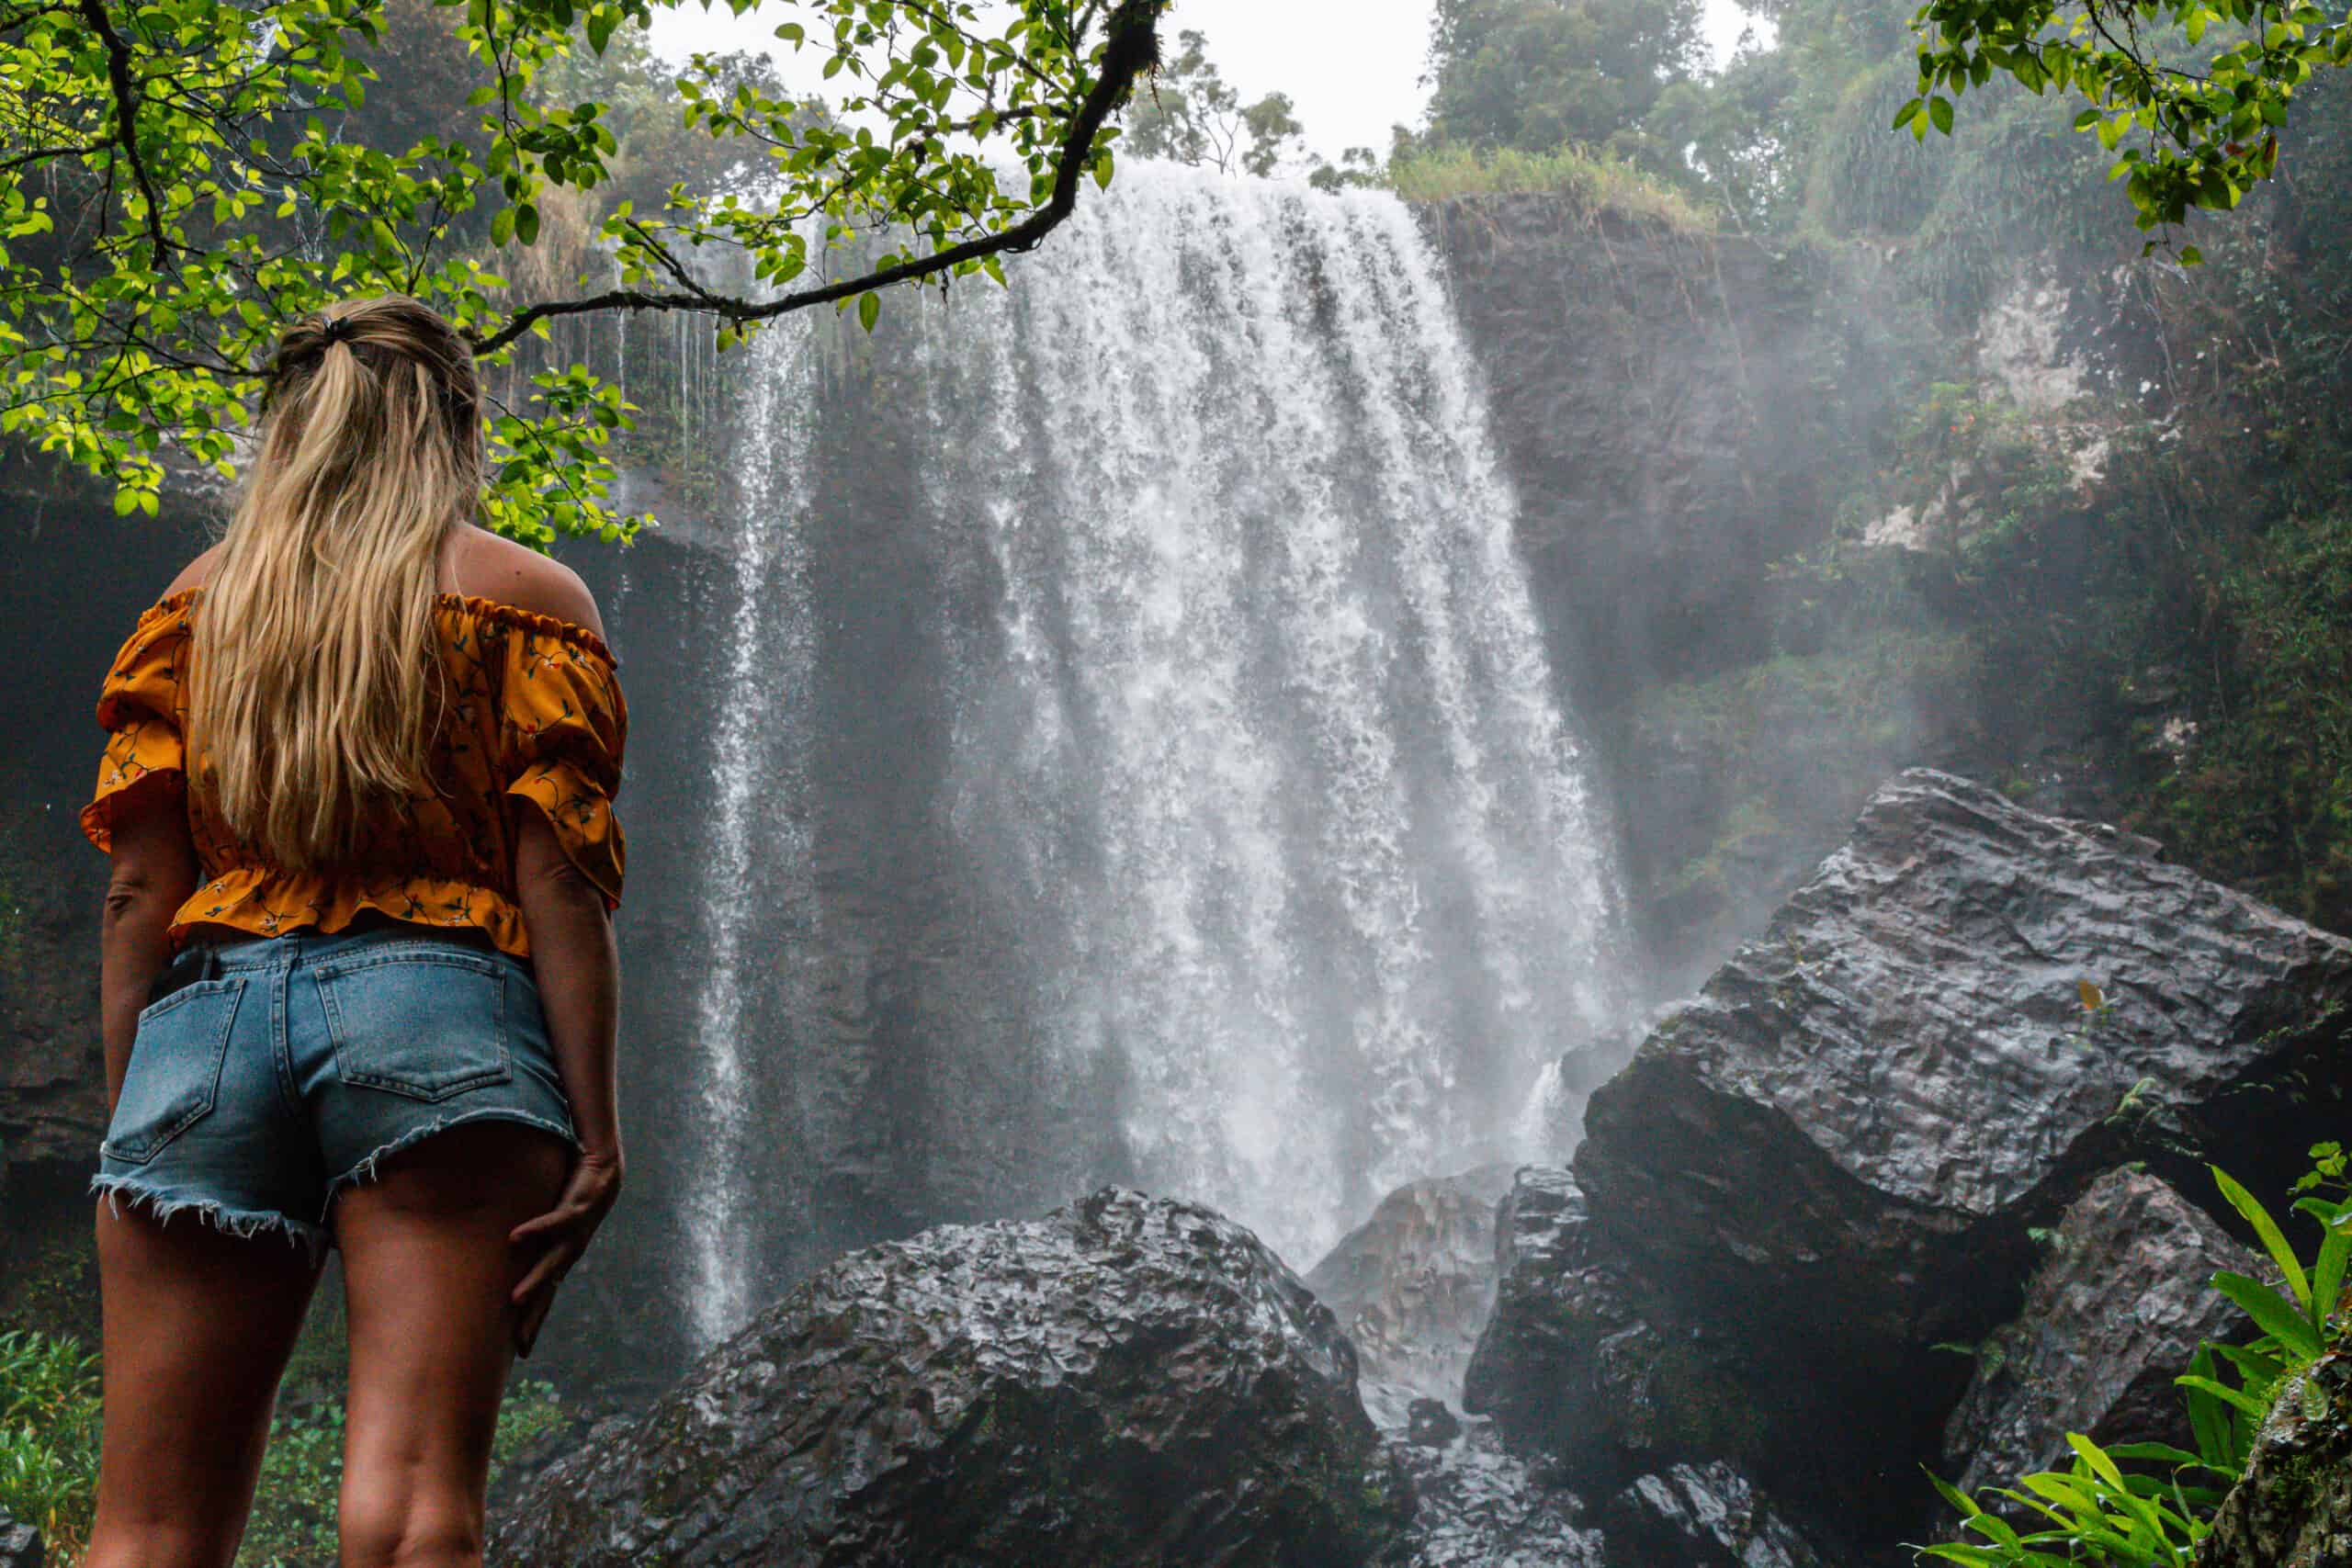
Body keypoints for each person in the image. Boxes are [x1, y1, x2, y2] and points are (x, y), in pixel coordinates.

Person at [76, 295, 628, 1568]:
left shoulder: (198, 607)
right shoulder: (531, 602)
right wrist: (597, 1136)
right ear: (452, 430)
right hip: (442, 1028)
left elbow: (135, 893)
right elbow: (561, 889)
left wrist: (141, 1115)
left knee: (144, 1538)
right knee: (414, 1518)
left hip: (198, 1033)